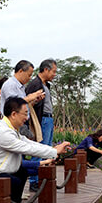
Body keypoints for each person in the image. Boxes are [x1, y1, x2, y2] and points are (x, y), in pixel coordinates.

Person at [0, 97, 70, 203]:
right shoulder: (3, 132)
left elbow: (29, 143)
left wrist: (52, 150)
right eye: (25, 113)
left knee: (22, 172)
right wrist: (54, 152)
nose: (27, 118)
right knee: (15, 181)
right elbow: (27, 148)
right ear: (14, 114)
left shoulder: (11, 129)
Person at [25, 59, 57, 192]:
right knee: (38, 149)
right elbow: (26, 103)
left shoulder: (46, 85)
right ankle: (34, 181)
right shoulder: (35, 84)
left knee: (47, 149)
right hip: (41, 119)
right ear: (46, 70)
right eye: (53, 71)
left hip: (48, 119)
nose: (54, 75)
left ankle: (43, 178)